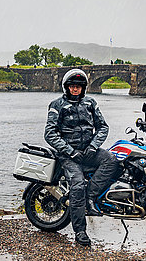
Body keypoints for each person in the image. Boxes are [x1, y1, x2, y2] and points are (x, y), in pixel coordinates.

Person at [44, 69, 120, 247]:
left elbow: (103, 127)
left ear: (83, 87)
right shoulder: (57, 105)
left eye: (78, 86)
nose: (75, 89)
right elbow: (49, 133)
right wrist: (70, 151)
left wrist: (93, 147)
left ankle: (90, 197)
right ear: (66, 87)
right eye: (72, 86)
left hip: (89, 152)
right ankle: (80, 232)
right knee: (77, 185)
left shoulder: (90, 103)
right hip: (68, 156)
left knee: (112, 161)